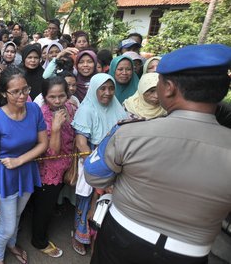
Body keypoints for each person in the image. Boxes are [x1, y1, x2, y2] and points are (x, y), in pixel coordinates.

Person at [84, 44, 231, 264]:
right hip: (190, 254)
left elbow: (94, 175)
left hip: (121, 241)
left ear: (169, 87)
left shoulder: (130, 133)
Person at [0, 67, 48, 264]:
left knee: (18, 215)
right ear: (4, 93)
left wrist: (20, 160)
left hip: (26, 171)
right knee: (7, 226)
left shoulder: (34, 109)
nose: (22, 95)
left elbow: (43, 143)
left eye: (25, 89)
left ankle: (11, 245)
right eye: (16, 92)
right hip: (5, 178)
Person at [70, 73, 128, 256]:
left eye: (111, 88)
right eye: (102, 88)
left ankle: (98, 238)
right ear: (94, 89)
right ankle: (79, 236)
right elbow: (81, 142)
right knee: (87, 200)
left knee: (107, 201)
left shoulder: (118, 108)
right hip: (93, 159)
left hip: (115, 160)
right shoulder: (86, 109)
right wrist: (95, 168)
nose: (108, 93)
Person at [30, 76, 77, 258]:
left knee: (47, 203)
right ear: (44, 96)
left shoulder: (70, 108)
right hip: (48, 171)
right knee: (44, 208)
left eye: (61, 96)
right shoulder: (41, 115)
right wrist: (56, 127)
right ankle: (38, 240)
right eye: (52, 97)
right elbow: (52, 152)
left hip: (64, 168)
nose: (57, 101)